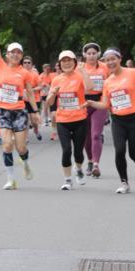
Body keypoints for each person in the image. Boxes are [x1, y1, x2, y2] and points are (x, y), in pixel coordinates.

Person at [86, 48, 135, 194]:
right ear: (105, 63)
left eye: (113, 59)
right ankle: (124, 183)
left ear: (120, 59)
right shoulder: (108, 82)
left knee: (134, 153)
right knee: (119, 151)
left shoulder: (132, 73)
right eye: (107, 60)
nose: (111, 62)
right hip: (118, 120)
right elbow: (106, 105)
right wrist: (90, 103)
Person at [0, 12, 39, 190]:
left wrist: (35, 112)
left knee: (20, 147)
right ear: (7, 55)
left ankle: (26, 163)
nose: (15, 55)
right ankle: (10, 179)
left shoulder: (25, 73)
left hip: (19, 111)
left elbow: (30, 93)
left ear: (21, 56)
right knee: (7, 144)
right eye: (12, 52)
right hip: (2, 110)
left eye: (18, 52)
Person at [46, 50, 88, 190]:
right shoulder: (57, 79)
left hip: (80, 119)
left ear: (74, 62)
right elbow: (50, 102)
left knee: (78, 152)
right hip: (62, 120)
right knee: (66, 150)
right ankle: (68, 180)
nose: (67, 63)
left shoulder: (80, 75)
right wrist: (52, 93)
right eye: (63, 61)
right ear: (60, 64)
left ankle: (79, 169)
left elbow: (91, 88)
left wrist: (84, 72)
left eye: (69, 60)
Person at [81, 42, 109, 178]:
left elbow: (111, 83)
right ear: (84, 55)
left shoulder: (105, 68)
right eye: (89, 53)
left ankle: (96, 164)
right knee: (86, 136)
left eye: (94, 53)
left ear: (98, 54)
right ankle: (90, 161)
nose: (91, 56)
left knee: (96, 134)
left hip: (99, 102)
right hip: (84, 103)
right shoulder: (79, 68)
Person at [21, 55, 43, 141]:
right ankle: (26, 137)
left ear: (31, 64)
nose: (26, 64)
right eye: (24, 62)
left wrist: (32, 90)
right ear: (22, 64)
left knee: (34, 120)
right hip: (23, 100)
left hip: (34, 99)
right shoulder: (20, 74)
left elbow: (40, 87)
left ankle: (36, 130)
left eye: (28, 63)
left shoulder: (35, 74)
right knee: (25, 119)